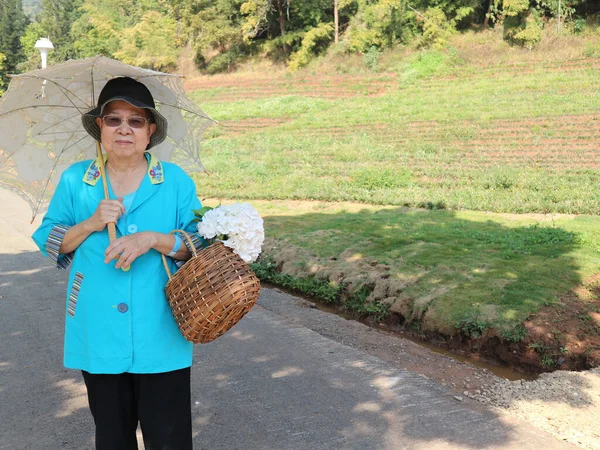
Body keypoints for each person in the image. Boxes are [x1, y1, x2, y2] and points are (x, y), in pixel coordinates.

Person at [32, 77, 203, 450]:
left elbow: (198, 242)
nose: (124, 128)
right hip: (98, 329)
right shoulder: (77, 179)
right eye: (113, 119)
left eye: (136, 120)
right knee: (112, 437)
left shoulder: (174, 181)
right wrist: (92, 223)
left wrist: (153, 240)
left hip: (161, 328)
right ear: (100, 128)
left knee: (169, 438)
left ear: (150, 130)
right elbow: (49, 239)